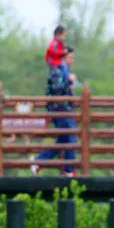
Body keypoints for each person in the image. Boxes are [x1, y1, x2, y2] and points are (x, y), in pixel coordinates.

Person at [32, 47, 77, 176]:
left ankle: (39, 161)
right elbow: (57, 89)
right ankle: (69, 170)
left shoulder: (65, 70)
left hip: (66, 109)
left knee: (64, 140)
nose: (72, 61)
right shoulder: (57, 70)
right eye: (70, 58)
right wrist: (69, 81)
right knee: (70, 138)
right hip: (59, 109)